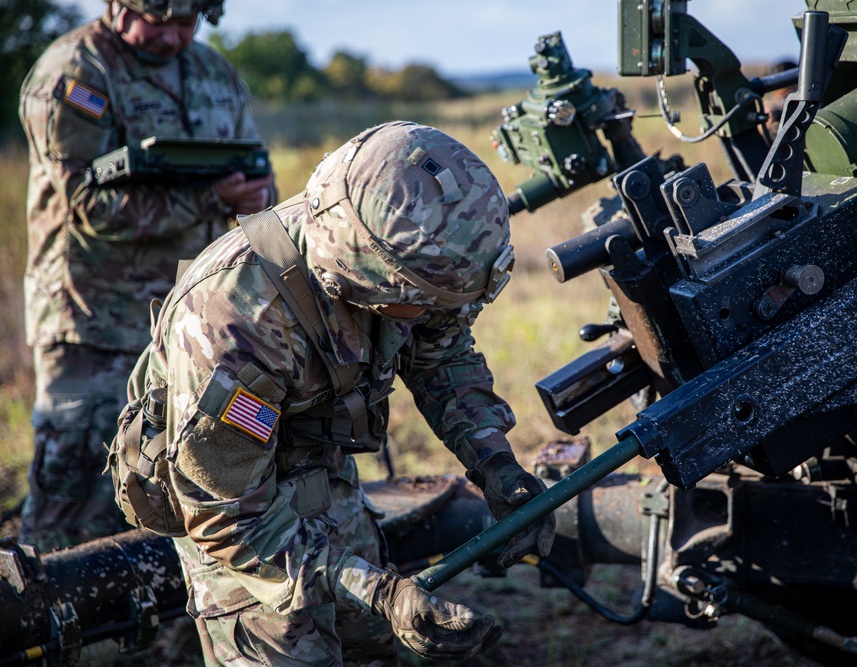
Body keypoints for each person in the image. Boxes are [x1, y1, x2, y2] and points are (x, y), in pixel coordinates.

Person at [115, 121, 556, 664]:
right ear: (362, 277)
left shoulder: (401, 256)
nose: (435, 315)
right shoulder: (235, 324)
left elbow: (442, 355)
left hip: (317, 458)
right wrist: (382, 591)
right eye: (423, 302)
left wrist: (496, 464)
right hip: (230, 501)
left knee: (371, 642)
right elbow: (228, 518)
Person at [18, 0, 275, 551]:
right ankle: (48, 612)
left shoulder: (212, 72)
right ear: (118, 6)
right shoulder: (75, 75)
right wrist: (209, 198)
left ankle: (154, 613)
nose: (174, 38)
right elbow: (86, 205)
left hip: (187, 321)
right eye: (160, 23)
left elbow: (253, 164)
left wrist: (256, 201)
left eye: (189, 24)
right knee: (74, 478)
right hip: (91, 317)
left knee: (170, 466)